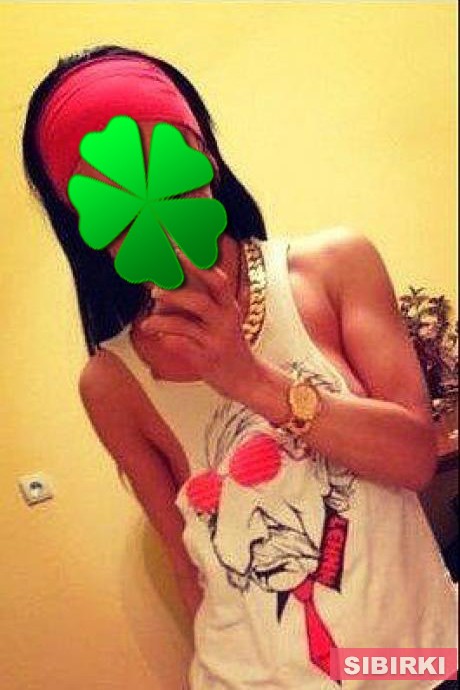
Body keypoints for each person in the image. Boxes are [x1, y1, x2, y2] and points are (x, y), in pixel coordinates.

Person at [23, 45, 457, 690]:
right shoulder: (111, 381)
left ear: (204, 154)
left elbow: (415, 458)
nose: (147, 197)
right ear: (81, 217)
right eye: (108, 188)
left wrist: (249, 378)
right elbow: (189, 566)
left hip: (417, 663)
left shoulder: (333, 269)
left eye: (163, 158)